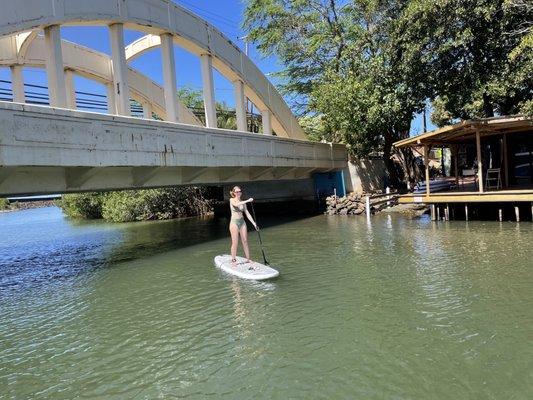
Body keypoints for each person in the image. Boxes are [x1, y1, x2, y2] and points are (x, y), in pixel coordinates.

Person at [229, 186, 258, 265]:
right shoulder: (232, 200)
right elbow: (236, 204)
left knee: (245, 241)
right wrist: (248, 200)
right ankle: (233, 260)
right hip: (234, 223)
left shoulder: (243, 202)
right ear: (234, 193)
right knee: (235, 242)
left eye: (239, 191)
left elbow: (247, 214)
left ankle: (248, 259)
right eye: (237, 192)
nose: (238, 193)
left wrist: (254, 224)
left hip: (242, 222)